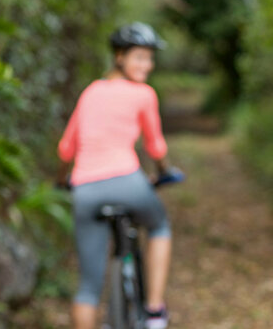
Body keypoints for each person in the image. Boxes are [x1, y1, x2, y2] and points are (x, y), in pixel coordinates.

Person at [57, 22, 176, 329]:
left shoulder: (91, 92)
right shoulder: (144, 94)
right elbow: (156, 147)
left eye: (150, 58)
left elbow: (66, 149)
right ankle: (153, 311)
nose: (147, 65)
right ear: (119, 56)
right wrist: (163, 172)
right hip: (128, 181)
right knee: (160, 225)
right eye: (139, 57)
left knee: (87, 288)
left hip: (84, 189)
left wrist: (63, 179)